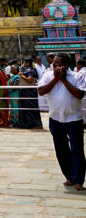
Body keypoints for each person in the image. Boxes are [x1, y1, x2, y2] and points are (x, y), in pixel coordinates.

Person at [38, 53, 86, 190]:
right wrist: (55, 80)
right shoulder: (48, 75)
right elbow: (41, 91)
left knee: (77, 150)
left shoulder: (77, 76)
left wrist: (64, 80)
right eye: (54, 64)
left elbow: (79, 95)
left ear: (65, 65)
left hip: (74, 119)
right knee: (61, 150)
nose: (54, 66)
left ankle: (79, 180)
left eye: (57, 63)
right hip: (56, 118)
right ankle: (69, 177)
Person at [13, 61, 42, 129]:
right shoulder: (26, 70)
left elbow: (30, 80)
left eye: (25, 62)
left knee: (31, 108)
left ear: (28, 63)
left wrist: (22, 76)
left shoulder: (32, 71)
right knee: (25, 108)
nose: (23, 64)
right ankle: (26, 124)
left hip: (29, 92)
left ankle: (35, 124)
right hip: (24, 91)